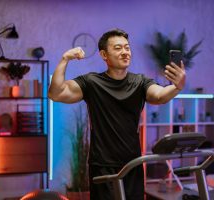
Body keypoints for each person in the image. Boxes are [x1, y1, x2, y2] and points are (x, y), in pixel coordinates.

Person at [48, 28, 186, 200]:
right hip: (103, 165)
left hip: (133, 163)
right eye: (118, 48)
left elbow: (159, 96)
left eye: (127, 47)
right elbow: (56, 93)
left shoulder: (140, 82)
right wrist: (65, 59)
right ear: (104, 55)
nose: (125, 52)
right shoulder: (92, 82)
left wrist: (177, 86)